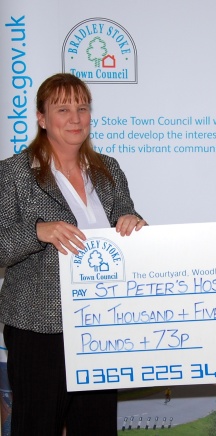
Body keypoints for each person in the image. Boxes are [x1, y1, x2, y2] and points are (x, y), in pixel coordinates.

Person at [0, 73, 147, 435]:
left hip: (101, 324)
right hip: (39, 328)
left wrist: (134, 222)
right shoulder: (14, 173)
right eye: (63, 109)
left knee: (97, 427)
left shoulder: (108, 169)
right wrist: (37, 231)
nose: (76, 118)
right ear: (42, 118)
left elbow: (128, 219)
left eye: (82, 108)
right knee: (36, 427)